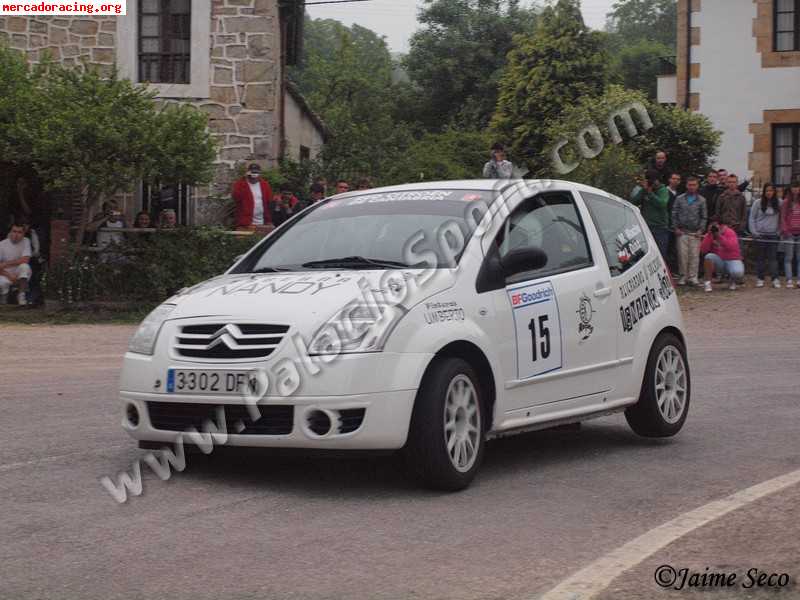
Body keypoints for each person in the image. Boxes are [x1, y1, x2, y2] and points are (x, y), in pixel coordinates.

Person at [672, 176, 707, 286]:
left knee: (694, 255)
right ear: (686, 185)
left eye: (694, 185)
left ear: (697, 186)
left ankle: (693, 277)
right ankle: (683, 277)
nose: (692, 187)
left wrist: (701, 229)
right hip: (682, 232)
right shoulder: (679, 199)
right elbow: (674, 214)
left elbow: (704, 217)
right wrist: (676, 228)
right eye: (690, 185)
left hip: (695, 233)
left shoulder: (702, 200)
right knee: (682, 255)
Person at [632, 170, 671, 259]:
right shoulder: (644, 190)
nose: (650, 183)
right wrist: (643, 190)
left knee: (660, 254)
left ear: (657, 180)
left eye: (652, 180)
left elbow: (662, 204)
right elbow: (634, 201)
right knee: (646, 254)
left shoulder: (663, 190)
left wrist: (650, 193)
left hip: (660, 228)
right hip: (646, 226)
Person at [749, 183, 782, 288]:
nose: (769, 193)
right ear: (764, 192)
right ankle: (760, 278)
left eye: (771, 190)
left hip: (773, 235)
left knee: (773, 258)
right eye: (767, 190)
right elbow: (751, 218)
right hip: (760, 235)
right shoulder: (757, 203)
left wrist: (779, 232)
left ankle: (775, 279)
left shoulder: (780, 203)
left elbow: (783, 218)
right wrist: (754, 232)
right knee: (760, 258)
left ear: (774, 192)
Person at [700, 222, 744, 292]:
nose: (716, 229)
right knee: (708, 257)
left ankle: (732, 281)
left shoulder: (730, 232)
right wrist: (709, 235)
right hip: (720, 260)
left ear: (722, 226)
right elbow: (703, 250)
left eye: (717, 227)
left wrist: (720, 236)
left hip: (732, 259)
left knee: (737, 272)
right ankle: (707, 283)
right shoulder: (711, 234)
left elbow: (731, 247)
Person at [232, 163, 273, 230]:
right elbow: (236, 197)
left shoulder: (265, 184)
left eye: (256, 172)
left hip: (262, 221)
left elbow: (269, 201)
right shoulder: (240, 184)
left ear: (259, 173)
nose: (254, 175)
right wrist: (243, 179)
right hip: (245, 222)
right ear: (248, 172)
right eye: (252, 172)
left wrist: (268, 220)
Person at [0, 223, 33, 306]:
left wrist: (6, 263)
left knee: (25, 267)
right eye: (14, 231)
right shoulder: (2, 244)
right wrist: (9, 275)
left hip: (19, 272)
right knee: (3, 283)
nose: (16, 234)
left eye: (19, 232)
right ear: (10, 232)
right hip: (5, 273)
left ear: (23, 234)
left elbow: (25, 259)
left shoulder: (26, 241)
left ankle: (21, 296)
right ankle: (4, 301)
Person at [715, 174, 748, 240]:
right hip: (724, 228)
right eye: (730, 182)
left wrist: (741, 228)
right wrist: (720, 226)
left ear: (737, 183)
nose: (732, 184)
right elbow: (718, 213)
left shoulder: (741, 197)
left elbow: (744, 214)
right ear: (727, 183)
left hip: (736, 229)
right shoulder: (722, 197)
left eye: (733, 182)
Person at [780, 180, 800, 288]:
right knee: (789, 257)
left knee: (799, 257)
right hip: (789, 234)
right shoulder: (786, 202)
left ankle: (799, 280)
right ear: (790, 189)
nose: (795, 189)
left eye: (797, 187)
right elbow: (782, 218)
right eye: (793, 187)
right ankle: (789, 280)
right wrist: (785, 231)